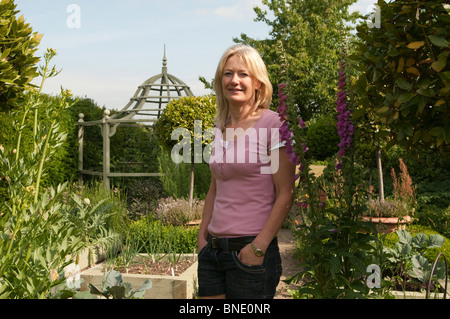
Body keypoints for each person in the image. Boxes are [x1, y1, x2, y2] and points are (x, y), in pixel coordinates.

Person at [197, 44, 295, 299]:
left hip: (250, 251)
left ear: (258, 83)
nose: (234, 81)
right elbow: (214, 189)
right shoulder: (220, 127)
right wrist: (202, 238)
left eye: (243, 74)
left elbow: (286, 193)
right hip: (213, 252)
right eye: (228, 74)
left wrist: (259, 247)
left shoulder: (274, 124)